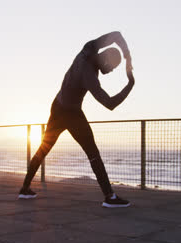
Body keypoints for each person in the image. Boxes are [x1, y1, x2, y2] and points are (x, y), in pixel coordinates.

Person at [18, 31, 135, 208]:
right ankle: (110, 197)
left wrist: (127, 57)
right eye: (112, 67)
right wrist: (130, 85)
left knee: (43, 148)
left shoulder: (88, 49)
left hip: (57, 106)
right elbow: (109, 103)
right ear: (106, 60)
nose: (110, 71)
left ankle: (24, 189)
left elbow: (117, 35)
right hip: (71, 113)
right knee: (93, 153)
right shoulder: (89, 75)